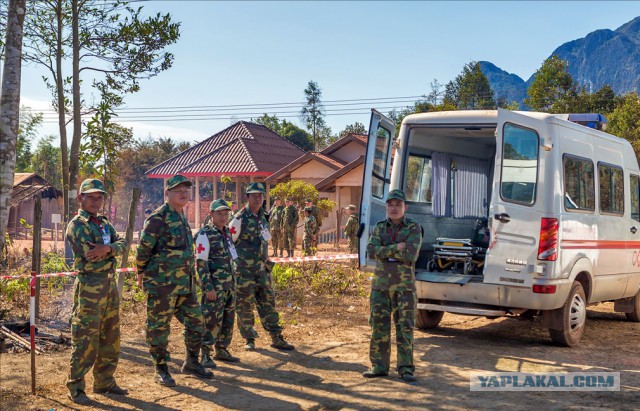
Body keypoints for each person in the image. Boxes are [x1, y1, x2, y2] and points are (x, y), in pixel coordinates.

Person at [136, 174, 212, 387]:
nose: (183, 193)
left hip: (185, 286)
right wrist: (141, 272)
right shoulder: (158, 219)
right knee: (159, 328)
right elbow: (144, 249)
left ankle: (192, 362)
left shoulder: (181, 217)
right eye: (178, 190)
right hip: (162, 286)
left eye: (186, 190)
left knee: (197, 322)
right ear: (167, 193)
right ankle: (161, 369)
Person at [66, 178, 128, 404]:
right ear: (81, 198)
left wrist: (108, 248)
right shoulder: (77, 224)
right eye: (90, 197)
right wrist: (108, 249)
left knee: (110, 336)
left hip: (109, 285)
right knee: (86, 338)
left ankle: (104, 382)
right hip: (89, 286)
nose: (95, 201)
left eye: (99, 197)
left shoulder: (103, 223)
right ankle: (76, 387)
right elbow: (89, 254)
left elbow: (122, 243)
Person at [364, 189, 423, 383]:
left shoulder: (414, 228)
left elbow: (411, 255)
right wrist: (398, 246)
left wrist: (385, 251)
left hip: (404, 288)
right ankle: (379, 366)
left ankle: (406, 368)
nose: (394, 208)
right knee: (378, 328)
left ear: (405, 207)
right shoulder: (379, 227)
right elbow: (372, 252)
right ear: (386, 207)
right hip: (380, 286)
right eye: (390, 204)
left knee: (405, 328)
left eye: (398, 204)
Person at [229, 183, 295, 351]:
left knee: (268, 304)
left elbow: (265, 241)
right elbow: (229, 243)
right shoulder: (239, 218)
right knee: (245, 306)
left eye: (260, 195)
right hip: (244, 272)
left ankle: (276, 337)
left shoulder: (264, 216)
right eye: (254, 195)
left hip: (262, 270)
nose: (258, 198)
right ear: (247, 198)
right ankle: (249, 339)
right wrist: (236, 264)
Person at [195, 199, 240, 369]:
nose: (223, 216)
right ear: (211, 214)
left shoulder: (227, 233)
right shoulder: (205, 234)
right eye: (219, 213)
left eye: (225, 213)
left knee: (228, 320)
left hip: (229, 285)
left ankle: (221, 349)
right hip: (214, 288)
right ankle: (205, 353)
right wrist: (208, 287)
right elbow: (201, 263)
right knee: (211, 321)